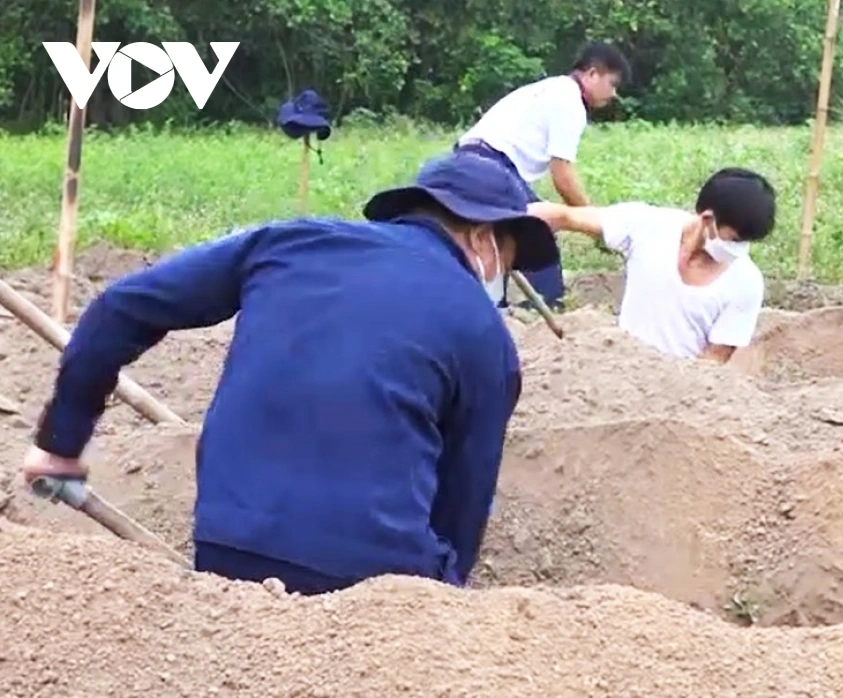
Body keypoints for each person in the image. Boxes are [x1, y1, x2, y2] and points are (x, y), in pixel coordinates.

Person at [21, 152, 558, 595]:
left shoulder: (290, 242)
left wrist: (60, 443)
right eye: (508, 260)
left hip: (229, 546)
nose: (500, 275)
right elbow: (463, 502)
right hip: (376, 581)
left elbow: (120, 309)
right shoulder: (487, 336)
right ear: (483, 238)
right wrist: (441, 600)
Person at [527, 167, 776, 363]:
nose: (738, 249)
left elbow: (714, 361)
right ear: (707, 219)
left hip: (677, 388)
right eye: (735, 239)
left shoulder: (746, 282)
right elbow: (567, 216)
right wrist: (521, 216)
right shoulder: (649, 226)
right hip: (618, 368)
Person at [454, 41, 632, 310]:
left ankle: (498, 307)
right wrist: (596, 224)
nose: (614, 93)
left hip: (464, 163)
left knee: (497, 237)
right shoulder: (570, 102)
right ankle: (546, 306)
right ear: (592, 74)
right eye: (612, 83)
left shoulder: (548, 89)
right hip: (492, 166)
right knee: (539, 228)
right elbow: (563, 177)